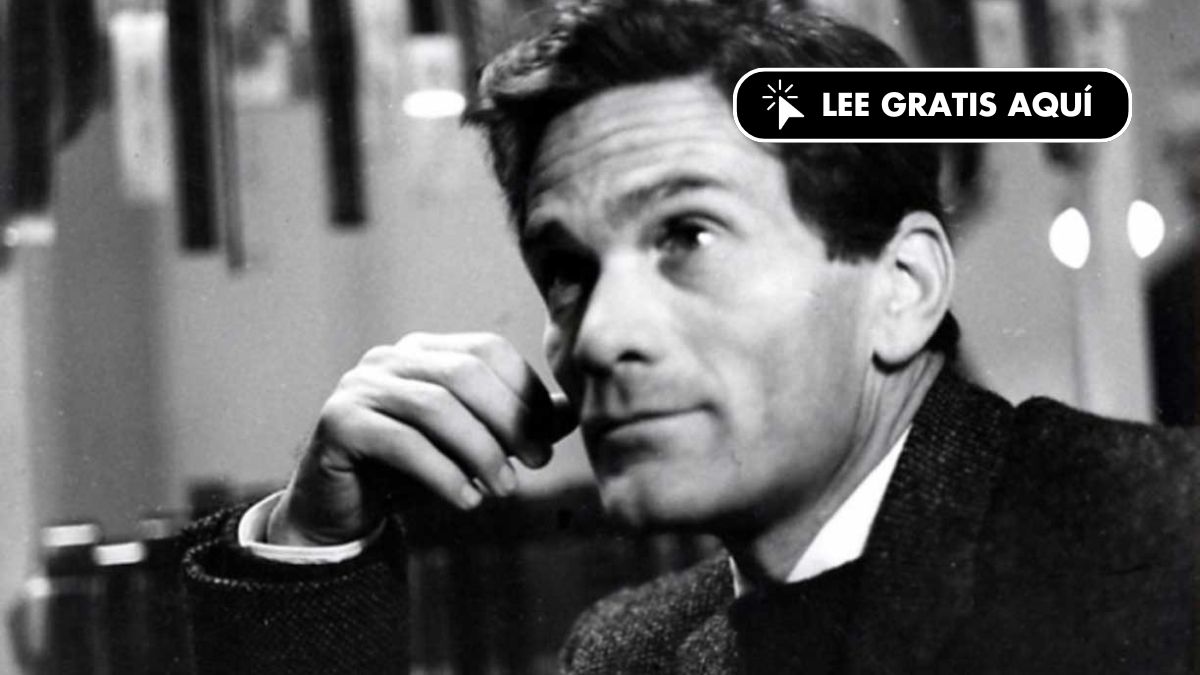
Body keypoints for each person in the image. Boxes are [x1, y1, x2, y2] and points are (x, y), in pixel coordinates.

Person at [181, 2, 1200, 673]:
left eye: (688, 236)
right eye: (568, 268)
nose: (600, 335)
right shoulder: (630, 652)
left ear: (902, 287)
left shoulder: (1164, 538)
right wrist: (313, 547)